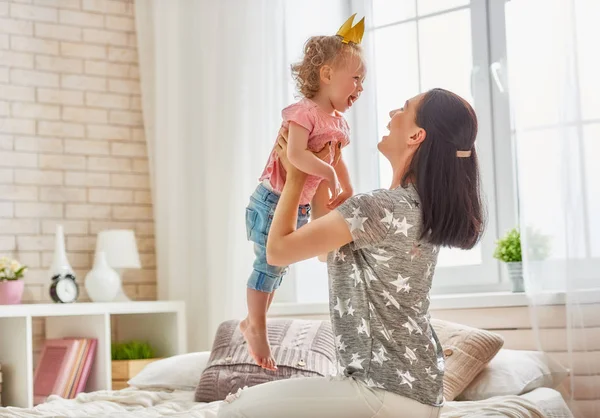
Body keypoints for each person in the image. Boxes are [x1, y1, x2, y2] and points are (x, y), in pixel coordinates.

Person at [219, 88, 484, 418]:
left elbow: (277, 252)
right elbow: (321, 250)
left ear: (417, 135)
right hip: (419, 395)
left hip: (381, 389)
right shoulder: (415, 208)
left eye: (404, 109)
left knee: (234, 412)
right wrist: (317, 170)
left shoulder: (377, 208)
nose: (392, 114)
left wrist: (296, 176)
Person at [241, 14, 366, 371]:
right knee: (267, 266)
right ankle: (257, 327)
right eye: (355, 78)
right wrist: (327, 171)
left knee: (277, 270)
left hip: (295, 207)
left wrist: (347, 184)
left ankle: (253, 322)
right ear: (327, 74)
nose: (360, 87)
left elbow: (335, 158)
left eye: (363, 81)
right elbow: (295, 155)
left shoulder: (338, 123)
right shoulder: (303, 112)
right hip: (271, 201)